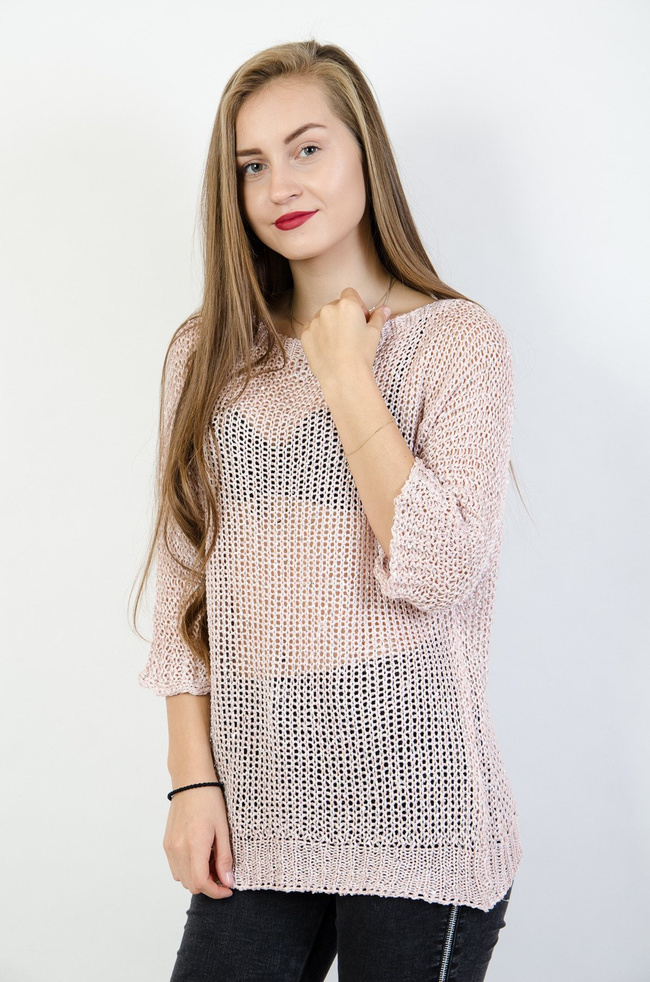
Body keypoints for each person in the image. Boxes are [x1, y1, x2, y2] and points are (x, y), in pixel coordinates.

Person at [133, 38, 524, 982]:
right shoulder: (205, 355)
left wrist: (346, 376)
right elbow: (187, 584)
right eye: (251, 166)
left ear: (364, 154)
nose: (280, 186)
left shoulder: (458, 342)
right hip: (256, 805)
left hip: (419, 806)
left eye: (307, 148)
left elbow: (436, 571)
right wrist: (190, 781)